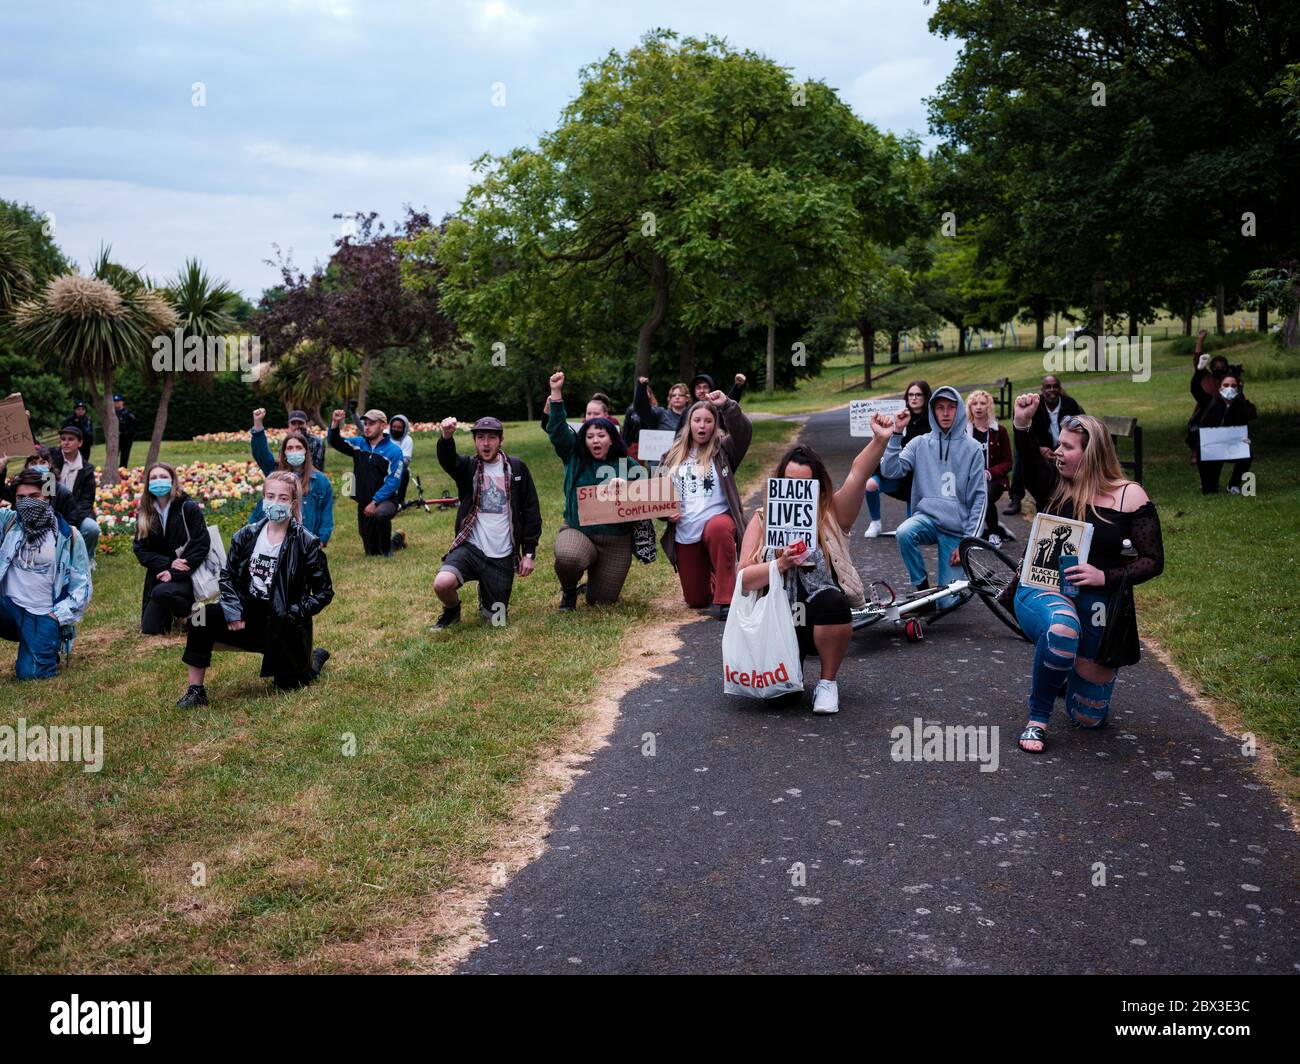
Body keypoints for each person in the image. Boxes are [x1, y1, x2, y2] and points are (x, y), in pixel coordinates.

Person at [1010, 396, 1164, 754]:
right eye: (1058, 445)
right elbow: (1032, 460)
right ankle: (1038, 719)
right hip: (1042, 590)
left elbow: (1153, 561)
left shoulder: (1130, 495)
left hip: (1098, 602)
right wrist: (1021, 423)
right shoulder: (1054, 485)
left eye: (1067, 446)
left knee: (1088, 719)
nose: (1058, 452)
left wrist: (1104, 576)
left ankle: (1065, 670)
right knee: (1062, 629)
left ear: (1090, 453)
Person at [736, 414, 895, 714]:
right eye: (789, 483)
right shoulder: (760, 518)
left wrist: (880, 440)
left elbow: (857, 475)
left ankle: (826, 683)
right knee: (780, 700)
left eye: (804, 485)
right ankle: (790, 671)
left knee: (834, 600)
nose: (796, 492)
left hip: (820, 614)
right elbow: (743, 579)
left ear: (818, 486)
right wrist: (780, 564)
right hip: (776, 620)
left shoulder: (831, 513)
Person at [176, 471, 333, 707]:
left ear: (293, 503)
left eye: (282, 498)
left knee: (290, 685)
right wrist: (232, 610)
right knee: (200, 617)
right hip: (246, 615)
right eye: (270, 496)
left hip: (283, 623)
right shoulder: (246, 535)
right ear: (263, 499)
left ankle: (313, 660)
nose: (275, 502)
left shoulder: (306, 543)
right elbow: (227, 576)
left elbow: (324, 592)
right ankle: (195, 691)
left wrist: (295, 612)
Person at [432, 416, 542, 630]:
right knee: (442, 583)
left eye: (491, 437)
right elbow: (448, 460)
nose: (486, 443)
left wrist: (529, 553)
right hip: (471, 548)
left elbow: (531, 510)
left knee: (497, 621)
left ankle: (488, 592)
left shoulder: (517, 469)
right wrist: (446, 437)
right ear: (475, 441)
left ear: (501, 440)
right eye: (480, 437)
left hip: (502, 555)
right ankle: (452, 610)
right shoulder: (468, 467)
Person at [881, 386, 987, 605]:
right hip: (927, 519)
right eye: (940, 408)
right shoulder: (920, 443)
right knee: (904, 531)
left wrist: (966, 543)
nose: (946, 413)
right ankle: (922, 590)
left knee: (946, 604)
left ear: (959, 411)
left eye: (951, 407)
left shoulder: (973, 448)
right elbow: (890, 471)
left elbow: (980, 498)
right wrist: (896, 433)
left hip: (956, 530)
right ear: (933, 410)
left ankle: (957, 586)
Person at [546, 370, 643, 610]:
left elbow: (648, 496)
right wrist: (556, 393)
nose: (596, 441)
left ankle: (594, 580)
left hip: (616, 539)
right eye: (590, 436)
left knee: (602, 601)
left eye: (601, 435)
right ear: (583, 439)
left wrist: (629, 489)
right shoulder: (573, 456)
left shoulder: (626, 463)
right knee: (569, 558)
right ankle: (569, 591)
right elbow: (558, 430)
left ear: (612, 439)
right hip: (580, 531)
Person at [656, 390, 752, 619]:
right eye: (697, 420)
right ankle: (716, 574)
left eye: (708, 421)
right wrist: (666, 513)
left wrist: (727, 405)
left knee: (719, 528)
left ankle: (726, 599)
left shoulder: (724, 450)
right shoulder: (670, 456)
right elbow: (659, 498)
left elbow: (744, 431)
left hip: (716, 521)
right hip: (686, 532)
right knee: (696, 600)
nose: (702, 426)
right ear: (689, 423)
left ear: (714, 424)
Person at [0, 470, 92, 679]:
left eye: (34, 497)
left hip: (42, 613)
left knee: (31, 675)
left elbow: (82, 588)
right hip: (8, 606)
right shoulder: (8, 523)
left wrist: (58, 614)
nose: (27, 503)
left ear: (48, 497)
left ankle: (42, 644)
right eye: (21, 498)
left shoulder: (69, 536)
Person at [132, 463, 211, 635]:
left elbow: (201, 544)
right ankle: (173, 612)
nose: (158, 481)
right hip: (160, 573)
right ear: (147, 483)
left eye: (163, 477)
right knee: (150, 629)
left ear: (173, 480)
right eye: (153, 478)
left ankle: (193, 611)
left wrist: (175, 572)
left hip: (190, 573)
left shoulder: (187, 507)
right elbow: (140, 550)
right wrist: (168, 564)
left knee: (161, 592)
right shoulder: (145, 512)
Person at [249, 409, 334, 543]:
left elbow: (326, 515)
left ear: (306, 451)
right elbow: (261, 453)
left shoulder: (320, 481)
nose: (294, 451)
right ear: (284, 453)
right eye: (290, 448)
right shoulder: (275, 473)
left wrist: (322, 540)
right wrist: (258, 424)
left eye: (298, 448)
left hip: (305, 542)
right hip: (273, 539)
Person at [328, 407, 404, 556]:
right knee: (371, 551)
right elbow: (335, 442)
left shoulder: (394, 451)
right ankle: (398, 539)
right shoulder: (358, 443)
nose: (367, 427)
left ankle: (387, 551)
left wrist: (375, 502)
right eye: (366, 423)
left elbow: (393, 482)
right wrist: (335, 423)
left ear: (383, 426)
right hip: (364, 503)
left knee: (381, 515)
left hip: (386, 501)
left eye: (372, 423)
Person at [1005, 376, 1084, 516]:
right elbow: (1029, 435)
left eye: (1055, 386)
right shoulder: (1036, 405)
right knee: (1022, 455)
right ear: (1042, 390)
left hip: (1064, 447)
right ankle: (1016, 497)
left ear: (1060, 388)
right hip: (1040, 449)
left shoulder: (1069, 404)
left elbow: (1083, 428)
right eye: (1048, 387)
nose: (1052, 390)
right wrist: (1039, 448)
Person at [863, 380, 931, 537]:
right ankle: (875, 522)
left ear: (925, 397)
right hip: (893, 465)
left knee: (911, 528)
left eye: (918, 395)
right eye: (911, 394)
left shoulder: (931, 421)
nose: (914, 398)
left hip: (916, 474)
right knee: (870, 485)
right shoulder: (898, 415)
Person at [1187, 370, 1257, 495]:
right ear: (1219, 388)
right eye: (1226, 385)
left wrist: (1245, 439)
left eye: (1233, 386)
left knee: (1247, 453)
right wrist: (1198, 371)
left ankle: (1233, 484)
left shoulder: (1240, 406)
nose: (1229, 388)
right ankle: (1208, 484)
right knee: (1210, 490)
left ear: (1238, 388)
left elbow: (1243, 426)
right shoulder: (1209, 401)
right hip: (1211, 447)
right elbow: (1195, 389)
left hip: (1230, 445)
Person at [965, 389, 1015, 543]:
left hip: (993, 480)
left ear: (989, 406)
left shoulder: (999, 431)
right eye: (974, 403)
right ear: (970, 407)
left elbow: (1008, 463)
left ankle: (994, 534)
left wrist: (988, 473)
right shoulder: (963, 431)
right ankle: (993, 528)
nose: (978, 407)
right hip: (968, 479)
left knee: (984, 495)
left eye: (982, 403)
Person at [49, 423, 101, 560]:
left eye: (70, 439)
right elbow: (33, 447)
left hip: (76, 512)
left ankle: (87, 558)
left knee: (92, 528)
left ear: (80, 443)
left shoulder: (86, 469)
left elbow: (87, 500)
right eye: (63, 439)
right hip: (52, 509)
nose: (66, 442)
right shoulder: (51, 459)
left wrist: (71, 521)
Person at [0, 448, 78, 526]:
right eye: (33, 463)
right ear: (27, 466)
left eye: (42, 462)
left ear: (49, 465)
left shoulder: (62, 493)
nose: (38, 466)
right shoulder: (19, 489)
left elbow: (71, 522)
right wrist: (1, 470)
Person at [1189, 329, 1230, 412]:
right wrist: (1200, 340)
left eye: (1222, 367)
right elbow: (1198, 361)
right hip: (1208, 409)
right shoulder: (1208, 378)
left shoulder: (1231, 381)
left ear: (1226, 368)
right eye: (1216, 368)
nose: (1220, 370)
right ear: (1212, 368)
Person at [113, 394, 137, 471]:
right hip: (115, 437)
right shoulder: (111, 413)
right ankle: (113, 470)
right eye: (115, 401)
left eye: (118, 401)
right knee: (113, 455)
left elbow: (133, 426)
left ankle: (123, 471)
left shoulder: (128, 413)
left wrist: (130, 435)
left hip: (126, 437)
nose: (116, 403)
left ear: (122, 402)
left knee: (125, 455)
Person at [69, 400, 93, 464]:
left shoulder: (88, 419)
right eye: (78, 409)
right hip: (75, 443)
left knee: (85, 459)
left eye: (82, 409)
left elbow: (90, 431)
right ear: (75, 410)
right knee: (76, 460)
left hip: (86, 443)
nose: (80, 411)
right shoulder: (71, 419)